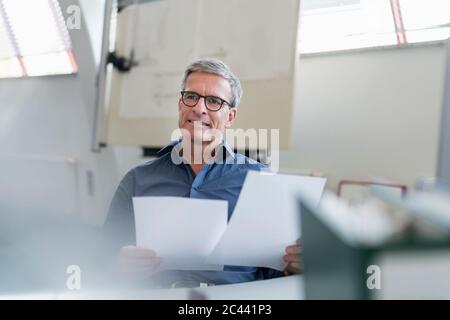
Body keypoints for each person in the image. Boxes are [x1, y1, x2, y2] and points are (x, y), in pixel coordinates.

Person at [104, 58, 302, 288]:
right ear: (180, 105)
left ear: (230, 117)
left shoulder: (260, 181)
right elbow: (102, 259)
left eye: (214, 101)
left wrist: (295, 267)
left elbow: (276, 274)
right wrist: (120, 264)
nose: (199, 109)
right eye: (191, 97)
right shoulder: (137, 180)